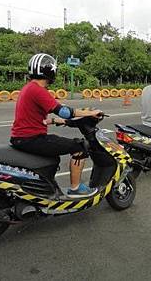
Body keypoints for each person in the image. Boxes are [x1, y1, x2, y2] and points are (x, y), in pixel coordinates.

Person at [10, 53, 102, 197]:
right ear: (50, 71)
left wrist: (53, 121)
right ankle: (75, 188)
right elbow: (64, 112)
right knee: (80, 147)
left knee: (56, 150)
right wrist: (90, 113)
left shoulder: (29, 88)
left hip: (22, 137)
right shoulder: (37, 90)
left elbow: (38, 114)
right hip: (31, 138)